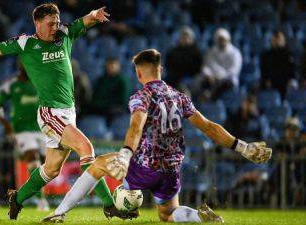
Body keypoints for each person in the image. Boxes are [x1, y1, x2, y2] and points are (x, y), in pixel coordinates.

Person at [42, 49, 272, 223]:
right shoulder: (179, 96)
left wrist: (124, 154)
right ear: (159, 69)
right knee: (168, 213)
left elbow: (136, 126)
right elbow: (209, 127)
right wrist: (243, 147)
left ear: (138, 72)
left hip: (144, 165)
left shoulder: (141, 96)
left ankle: (59, 213)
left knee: (98, 164)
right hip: (171, 169)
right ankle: (199, 217)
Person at [0, 3, 134, 220]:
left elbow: (85, 21)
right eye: (50, 23)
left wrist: (94, 15)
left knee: (51, 170)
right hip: (51, 113)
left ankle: (17, 199)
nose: (55, 27)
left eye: (57, 22)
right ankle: (109, 205)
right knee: (86, 148)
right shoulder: (25, 43)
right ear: (37, 23)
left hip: (69, 112)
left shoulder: (65, 34)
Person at [0, 61, 49, 211]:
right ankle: (41, 201)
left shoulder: (40, 82)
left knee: (45, 167)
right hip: (21, 130)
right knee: (33, 160)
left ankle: (34, 195)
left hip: (42, 129)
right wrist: (7, 126)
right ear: (20, 67)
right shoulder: (11, 85)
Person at [201, 28, 242, 99]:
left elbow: (234, 71)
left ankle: (210, 97)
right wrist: (209, 75)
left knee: (222, 84)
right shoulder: (211, 52)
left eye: (223, 40)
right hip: (213, 78)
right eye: (220, 39)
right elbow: (206, 66)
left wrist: (219, 76)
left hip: (228, 79)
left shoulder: (235, 53)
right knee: (203, 82)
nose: (222, 42)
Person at [260, 30, 296, 98]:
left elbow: (292, 71)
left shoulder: (289, 55)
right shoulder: (266, 55)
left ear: (284, 40)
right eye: (275, 38)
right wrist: (266, 80)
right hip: (271, 82)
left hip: (285, 83)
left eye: (279, 39)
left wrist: (291, 80)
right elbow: (264, 71)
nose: (276, 41)